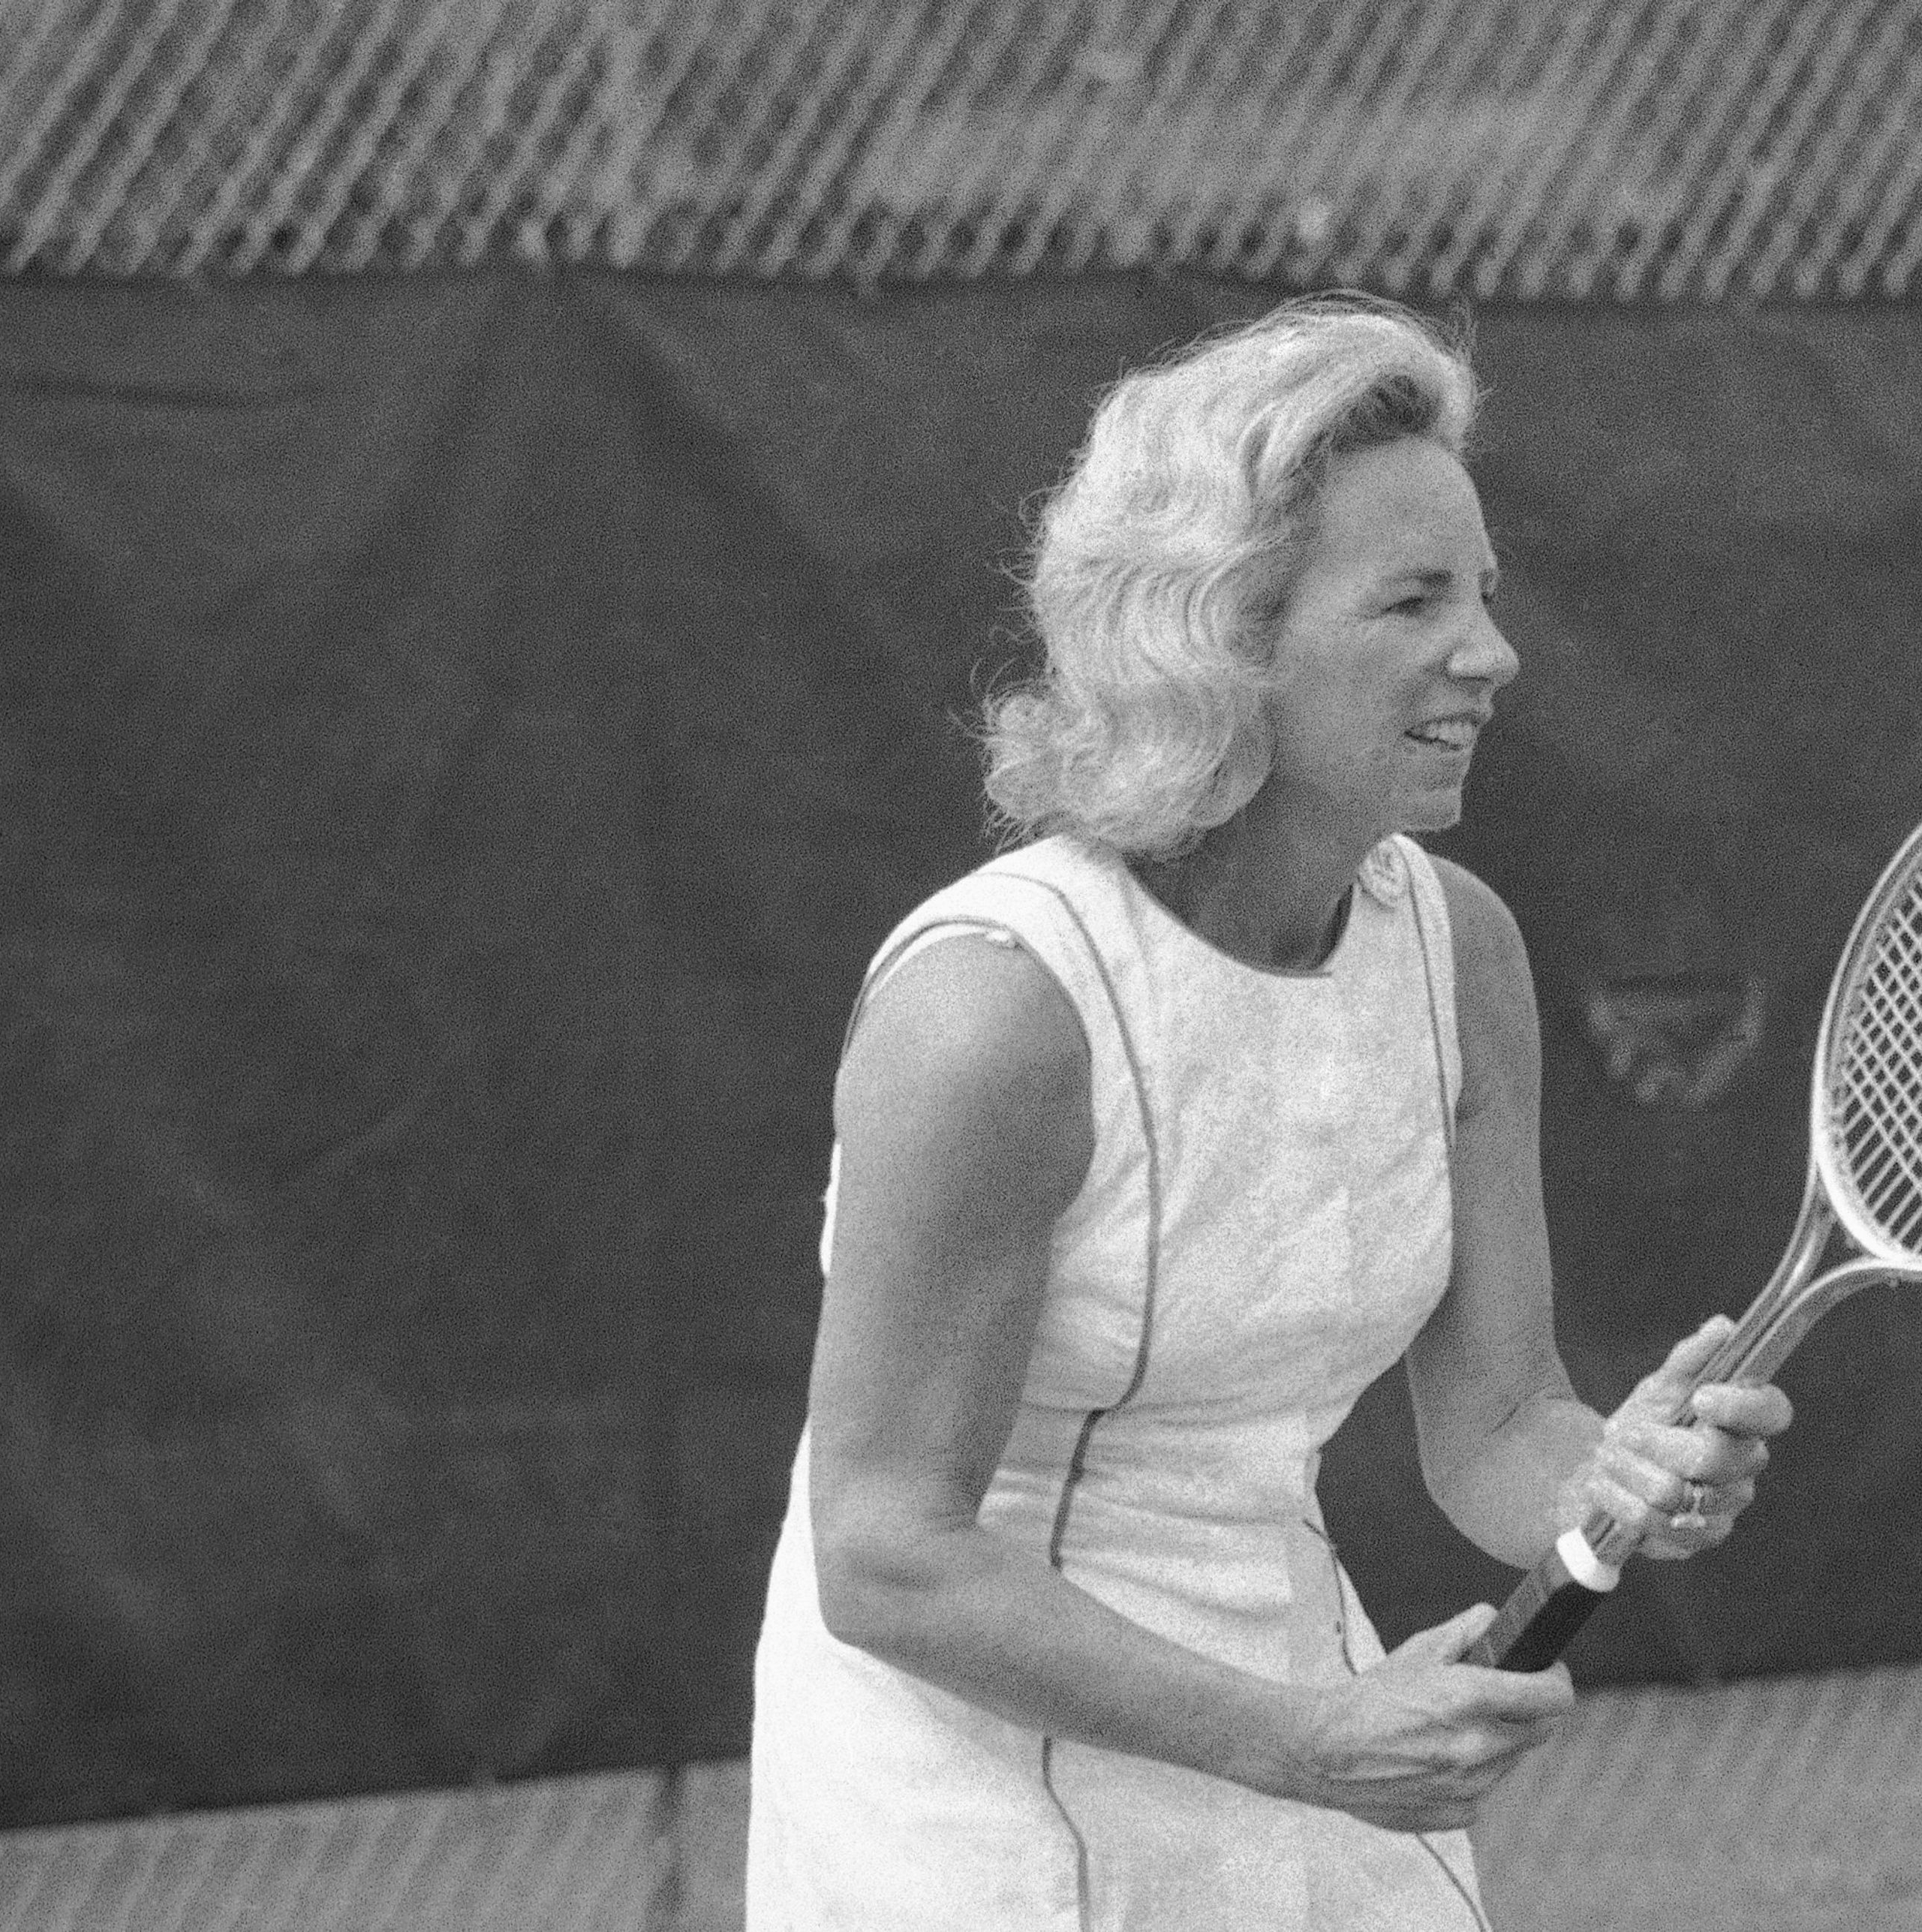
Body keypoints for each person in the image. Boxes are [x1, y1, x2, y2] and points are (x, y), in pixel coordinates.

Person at [747, 294, 1794, 1931]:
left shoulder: (1462, 948)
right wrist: (1305, 1741)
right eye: (1411, 601)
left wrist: (1616, 1479)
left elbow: (1502, 1428)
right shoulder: (995, 1012)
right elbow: (883, 1549)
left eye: (1487, 596)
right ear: (1224, 636)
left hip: (1302, 1704)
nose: (1492, 654)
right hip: (961, 1773)